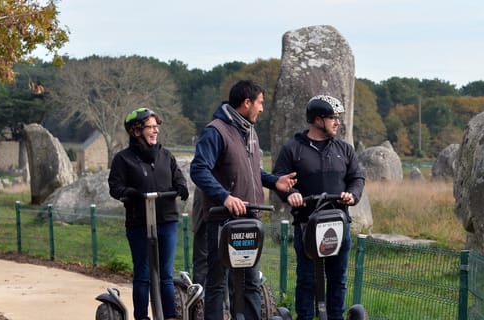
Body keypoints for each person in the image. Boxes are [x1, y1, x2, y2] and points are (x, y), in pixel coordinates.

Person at [190, 80, 295, 320]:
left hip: (250, 219)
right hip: (222, 220)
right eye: (260, 103)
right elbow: (199, 169)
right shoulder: (216, 131)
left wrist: (273, 181)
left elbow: (250, 171)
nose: (262, 109)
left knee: (250, 282)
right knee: (216, 284)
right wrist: (224, 196)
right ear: (246, 103)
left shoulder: (249, 130)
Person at [273, 95, 365, 320]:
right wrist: (291, 194)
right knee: (307, 279)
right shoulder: (293, 150)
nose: (337, 122)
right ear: (317, 119)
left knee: (338, 279)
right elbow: (278, 179)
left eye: (338, 118)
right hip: (307, 226)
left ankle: (335, 317)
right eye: (333, 117)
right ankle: (304, 317)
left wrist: (352, 195)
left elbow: (357, 177)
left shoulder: (344, 149)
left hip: (338, 224)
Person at [108, 107, 190, 320]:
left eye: (156, 127)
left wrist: (181, 186)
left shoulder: (165, 155)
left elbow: (178, 177)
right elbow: (115, 187)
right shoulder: (123, 159)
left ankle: (169, 316)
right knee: (143, 274)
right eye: (150, 127)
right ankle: (142, 317)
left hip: (167, 220)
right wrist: (130, 193)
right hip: (139, 223)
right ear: (136, 131)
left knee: (166, 274)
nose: (155, 131)